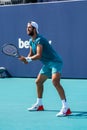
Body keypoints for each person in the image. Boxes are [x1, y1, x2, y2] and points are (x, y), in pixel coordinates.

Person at [19, 21, 71, 117]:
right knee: (38, 82)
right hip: (47, 64)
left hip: (55, 61)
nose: (27, 29)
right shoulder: (31, 41)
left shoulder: (40, 39)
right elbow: (30, 55)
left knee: (55, 81)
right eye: (27, 27)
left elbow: (38, 55)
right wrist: (25, 59)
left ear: (34, 29)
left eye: (29, 27)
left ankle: (66, 108)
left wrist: (28, 60)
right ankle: (39, 104)